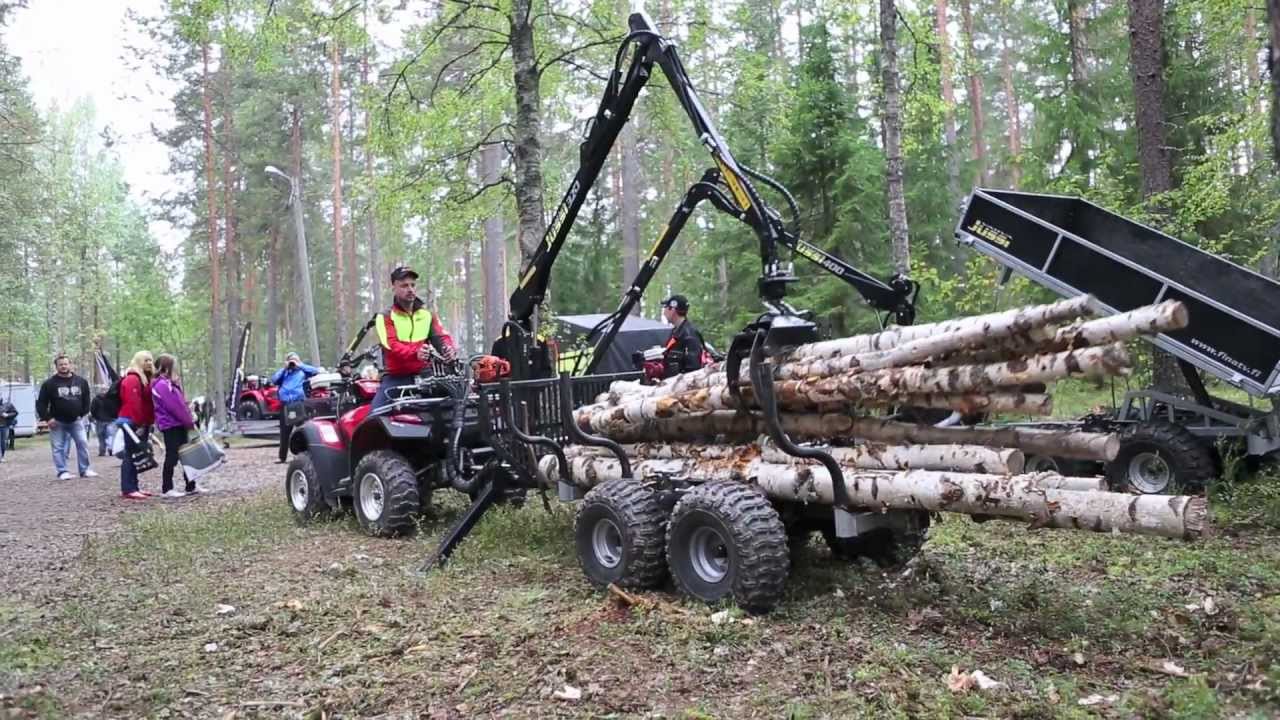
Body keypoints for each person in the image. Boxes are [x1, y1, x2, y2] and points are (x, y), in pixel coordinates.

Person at [371, 265, 457, 412]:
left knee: (458, 406)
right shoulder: (384, 316)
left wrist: (449, 350)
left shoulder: (427, 315)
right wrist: (415, 352)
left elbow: (441, 337)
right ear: (394, 288)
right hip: (396, 377)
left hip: (426, 375)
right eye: (404, 285)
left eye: (412, 285)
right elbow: (391, 345)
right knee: (375, 415)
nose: (410, 289)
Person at [36, 355, 97, 480]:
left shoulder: (81, 382)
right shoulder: (49, 384)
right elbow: (41, 403)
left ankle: (85, 470)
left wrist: (83, 413)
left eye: (65, 364)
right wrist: (48, 418)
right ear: (56, 367)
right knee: (58, 447)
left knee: (83, 443)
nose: (63, 366)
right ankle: (62, 471)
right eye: (60, 364)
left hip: (76, 420)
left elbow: (86, 399)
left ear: (71, 365)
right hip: (57, 422)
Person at [152, 354, 200, 497]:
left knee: (186, 455)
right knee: (172, 456)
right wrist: (189, 422)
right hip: (171, 425)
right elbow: (174, 406)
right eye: (174, 365)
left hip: (178, 423)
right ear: (167, 367)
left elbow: (180, 403)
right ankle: (167, 488)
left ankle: (191, 485)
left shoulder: (170, 384)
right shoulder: (162, 385)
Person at [118, 351, 156, 500]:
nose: (149, 363)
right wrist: (138, 423)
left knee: (135, 453)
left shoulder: (145, 379)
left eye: (150, 360)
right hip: (131, 421)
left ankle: (133, 486)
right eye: (145, 360)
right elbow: (133, 403)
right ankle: (128, 488)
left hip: (142, 421)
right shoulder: (132, 379)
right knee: (130, 454)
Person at [271, 351, 318, 463]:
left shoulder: (302, 371)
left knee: (303, 429)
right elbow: (274, 380)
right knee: (284, 432)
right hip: (285, 405)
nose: (293, 362)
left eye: (295, 360)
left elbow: (315, 371)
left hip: (298, 403)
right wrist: (284, 368)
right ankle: (282, 457)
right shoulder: (284, 373)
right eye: (291, 360)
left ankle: (306, 454)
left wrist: (299, 365)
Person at [659, 294, 705, 379]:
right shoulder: (675, 332)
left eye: (665, 307)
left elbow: (693, 367)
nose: (664, 311)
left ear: (672, 310)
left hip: (684, 386)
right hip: (672, 383)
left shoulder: (689, 334)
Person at [89, 387, 117, 457]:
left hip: (100, 420)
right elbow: (116, 408)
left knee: (101, 437)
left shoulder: (96, 399)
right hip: (110, 420)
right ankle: (111, 448)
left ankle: (102, 451)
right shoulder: (112, 399)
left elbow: (93, 410)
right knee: (110, 435)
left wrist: (95, 417)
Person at [0, 395, 17, 464]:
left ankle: (2, 456)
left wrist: (7, 415)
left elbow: (15, 412)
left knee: (3, 442)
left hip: (4, 426)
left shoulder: (8, 405)